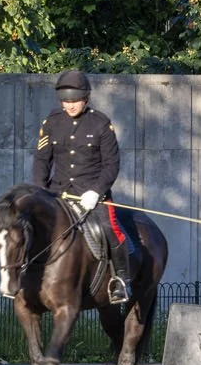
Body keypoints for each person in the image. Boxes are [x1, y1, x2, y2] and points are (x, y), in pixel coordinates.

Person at [31, 68, 132, 304]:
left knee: (110, 229)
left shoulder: (100, 123)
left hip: (92, 195)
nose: (70, 105)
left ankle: (121, 281)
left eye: (74, 100)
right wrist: (40, 191)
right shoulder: (52, 122)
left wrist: (96, 191)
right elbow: (41, 160)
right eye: (65, 101)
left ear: (86, 99)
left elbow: (111, 165)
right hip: (58, 194)